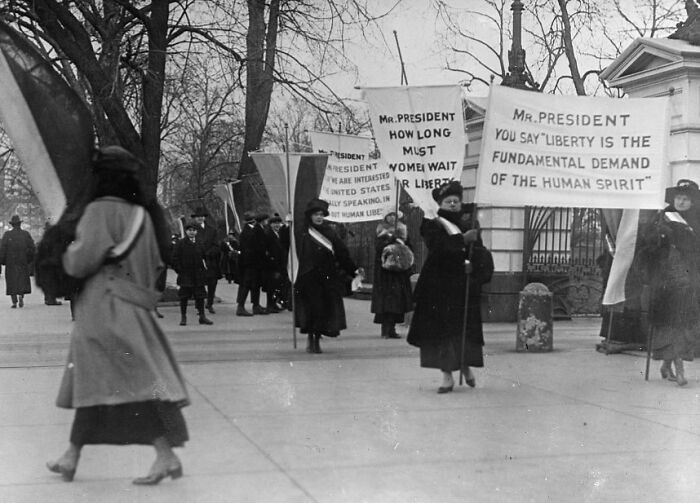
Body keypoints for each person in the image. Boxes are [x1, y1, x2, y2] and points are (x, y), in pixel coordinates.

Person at [47, 146, 189, 485]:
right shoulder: (144, 216)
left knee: (122, 386)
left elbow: (81, 261)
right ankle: (72, 455)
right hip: (134, 309)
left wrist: (62, 255)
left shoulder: (98, 210)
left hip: (104, 312)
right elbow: (156, 263)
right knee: (106, 384)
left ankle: (164, 455)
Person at [407, 181, 494, 394]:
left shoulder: (470, 221)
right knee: (443, 334)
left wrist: (476, 263)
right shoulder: (432, 224)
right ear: (440, 204)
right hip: (440, 287)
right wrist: (462, 240)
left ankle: (465, 367)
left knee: (464, 331)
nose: (453, 204)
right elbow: (438, 250)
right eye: (448, 201)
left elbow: (480, 251)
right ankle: (447, 376)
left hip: (464, 285)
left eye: (456, 200)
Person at [639, 179, 700, 386]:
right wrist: (657, 238)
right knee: (671, 323)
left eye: (686, 199)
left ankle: (667, 364)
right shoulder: (662, 217)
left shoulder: (697, 220)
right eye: (679, 197)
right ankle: (679, 370)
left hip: (690, 280)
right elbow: (647, 247)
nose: (682, 202)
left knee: (683, 324)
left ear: (693, 202)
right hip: (666, 280)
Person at [295, 198, 358, 353]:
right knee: (312, 308)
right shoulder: (301, 232)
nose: (319, 217)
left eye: (322, 214)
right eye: (316, 214)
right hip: (308, 277)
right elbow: (292, 251)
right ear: (310, 216)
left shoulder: (329, 232)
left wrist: (353, 270)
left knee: (324, 309)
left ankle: (317, 337)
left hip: (327, 277)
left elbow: (342, 253)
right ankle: (312, 337)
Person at [370, 208, 413, 338]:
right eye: (390, 215)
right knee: (387, 301)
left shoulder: (403, 231)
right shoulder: (381, 232)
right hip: (385, 272)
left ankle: (392, 328)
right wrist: (389, 240)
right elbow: (378, 248)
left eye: (394, 215)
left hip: (399, 271)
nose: (392, 218)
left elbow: (409, 247)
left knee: (397, 301)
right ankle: (385, 328)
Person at [172, 222, 213, 326]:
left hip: (198, 275)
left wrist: (205, 267)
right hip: (186, 274)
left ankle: (202, 316)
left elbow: (205, 256)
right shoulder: (180, 243)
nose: (192, 232)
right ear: (186, 231)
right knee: (184, 296)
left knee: (200, 296)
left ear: (196, 231)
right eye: (190, 230)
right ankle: (183, 317)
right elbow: (175, 258)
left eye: (194, 230)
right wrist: (179, 270)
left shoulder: (200, 243)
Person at [236, 211, 269, 316]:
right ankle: (241, 307)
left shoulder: (249, 231)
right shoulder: (250, 231)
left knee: (255, 284)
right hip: (250, 263)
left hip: (253, 262)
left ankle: (256, 305)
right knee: (246, 284)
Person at [0, 214, 35, 308]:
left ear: (12, 225)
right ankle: (21, 296)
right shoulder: (25, 234)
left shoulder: (7, 235)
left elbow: (2, 249)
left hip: (11, 262)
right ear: (19, 224)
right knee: (21, 280)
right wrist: (28, 259)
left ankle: (14, 301)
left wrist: (3, 261)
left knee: (12, 281)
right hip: (22, 262)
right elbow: (32, 248)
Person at [190, 207, 221, 314]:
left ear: (204, 218)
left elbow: (216, 245)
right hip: (197, 261)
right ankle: (200, 306)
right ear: (195, 218)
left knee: (212, 284)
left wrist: (209, 253)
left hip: (210, 261)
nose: (200, 218)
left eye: (202, 216)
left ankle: (210, 303)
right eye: (198, 217)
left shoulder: (212, 230)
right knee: (199, 285)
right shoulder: (191, 230)